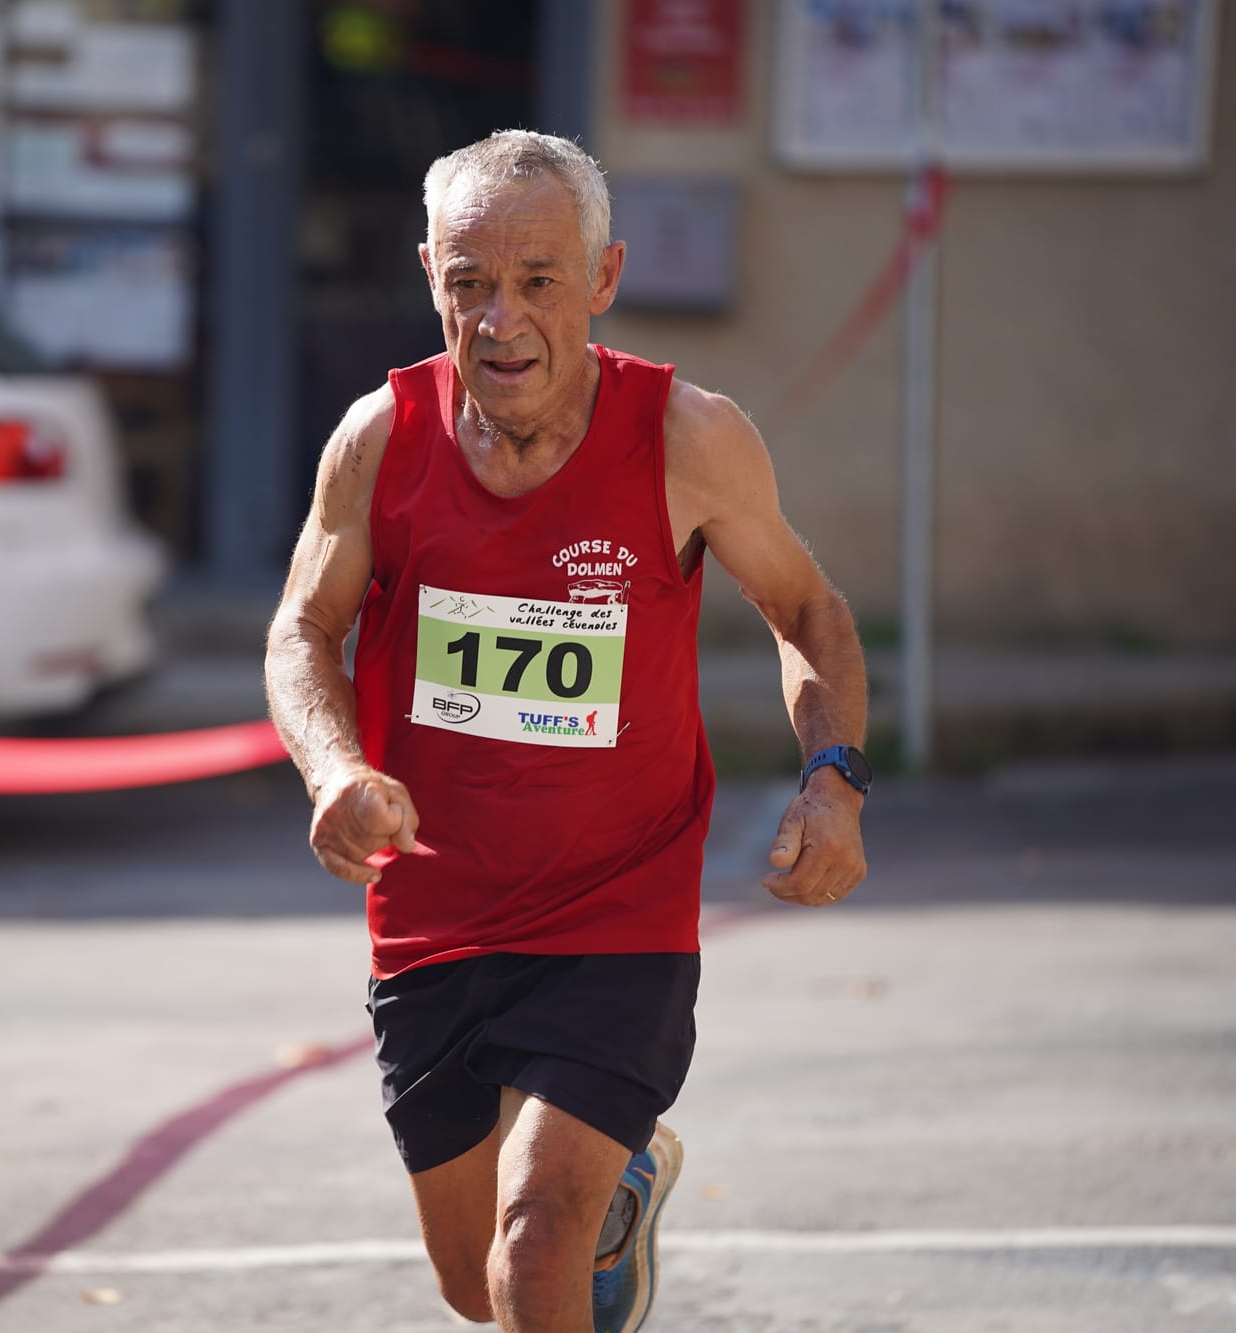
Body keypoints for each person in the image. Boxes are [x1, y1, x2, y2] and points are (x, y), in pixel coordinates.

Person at [263, 130, 871, 1333]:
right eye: (469, 282)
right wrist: (334, 769)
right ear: (429, 273)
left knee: (533, 1250)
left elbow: (808, 610)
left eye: (539, 280)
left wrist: (832, 781)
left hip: (616, 913)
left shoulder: (687, 437)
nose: (502, 321)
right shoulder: (380, 440)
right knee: (473, 1285)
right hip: (433, 914)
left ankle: (585, 1205)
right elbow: (302, 627)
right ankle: (623, 1194)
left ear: (602, 277)